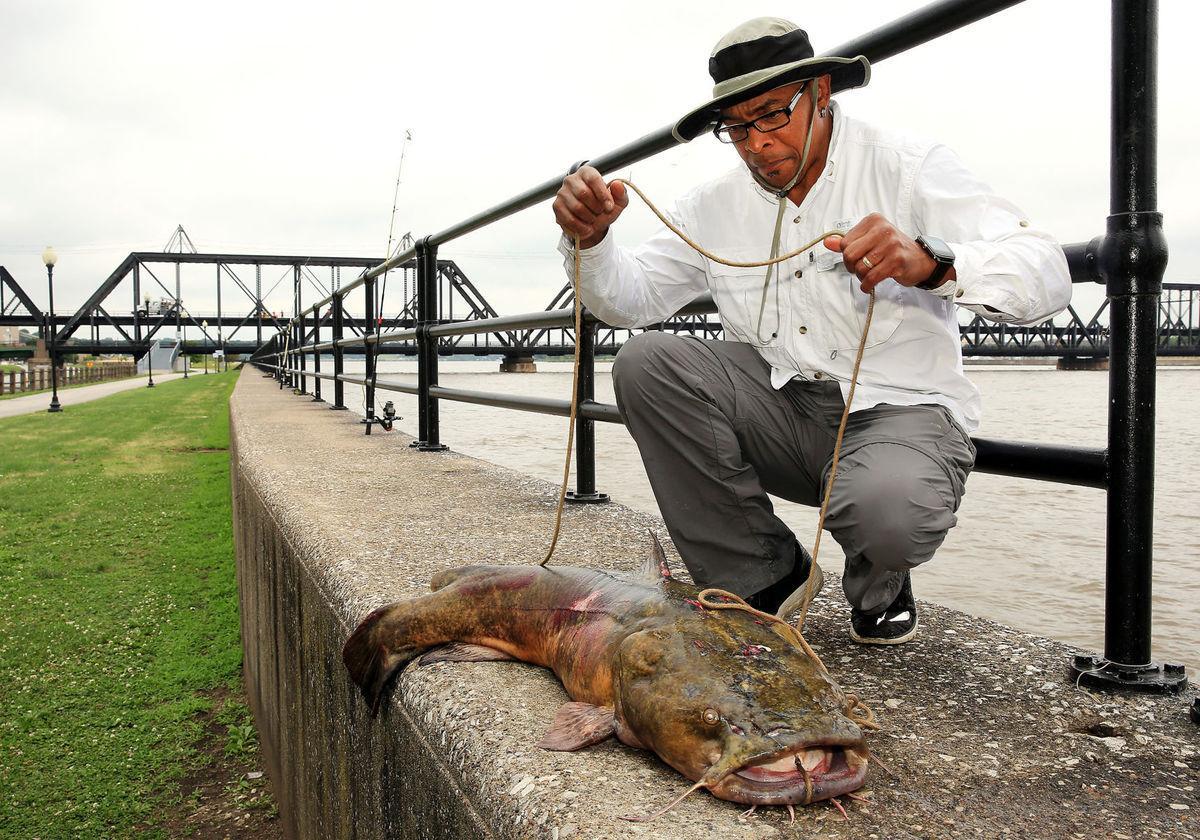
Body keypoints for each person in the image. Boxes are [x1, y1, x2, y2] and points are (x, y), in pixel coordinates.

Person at [552, 17, 1070, 644]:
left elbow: (1045, 269)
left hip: (898, 412)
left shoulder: (907, 166)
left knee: (889, 515)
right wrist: (592, 240)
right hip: (783, 406)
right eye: (736, 127)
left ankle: (880, 578)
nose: (756, 144)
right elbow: (627, 299)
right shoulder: (712, 204)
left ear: (822, 92)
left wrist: (934, 261)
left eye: (772, 114)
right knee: (645, 362)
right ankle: (765, 580)